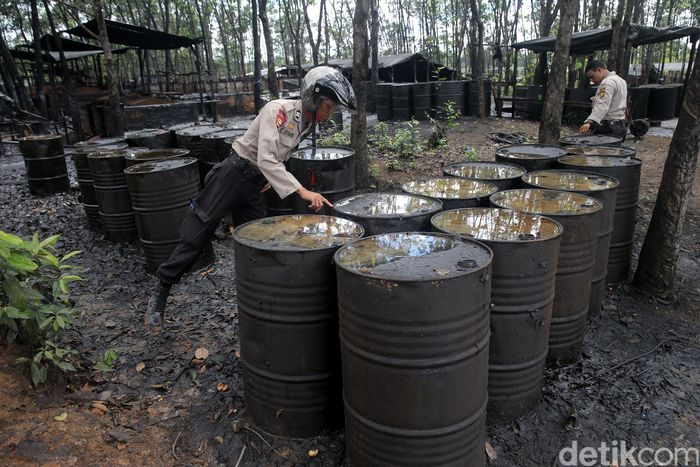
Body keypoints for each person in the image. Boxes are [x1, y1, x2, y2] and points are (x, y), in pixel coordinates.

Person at [145, 66, 356, 326]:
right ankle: (161, 289)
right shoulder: (277, 111)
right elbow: (266, 157)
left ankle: (259, 303)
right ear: (314, 97)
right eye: (329, 106)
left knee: (258, 241)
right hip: (232, 176)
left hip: (256, 184)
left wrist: (269, 177)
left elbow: (276, 159)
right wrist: (301, 190)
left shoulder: (306, 122)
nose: (330, 113)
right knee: (196, 233)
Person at [579, 60, 628, 141]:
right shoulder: (621, 81)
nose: (592, 81)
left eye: (592, 76)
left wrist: (589, 122)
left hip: (609, 127)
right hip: (620, 126)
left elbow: (602, 104)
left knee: (599, 152)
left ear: (599, 70)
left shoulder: (607, 83)